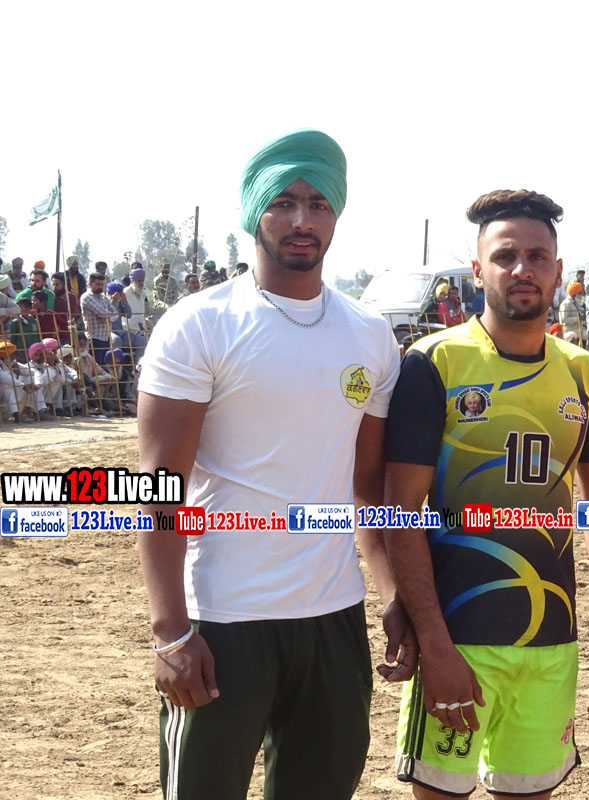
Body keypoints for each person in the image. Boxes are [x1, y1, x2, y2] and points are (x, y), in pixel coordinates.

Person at [135, 129, 414, 800]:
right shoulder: (199, 324)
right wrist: (170, 631)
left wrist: (390, 594)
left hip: (332, 619)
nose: (301, 220)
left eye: (318, 204)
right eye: (283, 202)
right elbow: (158, 489)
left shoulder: (370, 336)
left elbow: (366, 487)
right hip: (222, 619)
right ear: (253, 213)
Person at [383, 189, 589, 799]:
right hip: (458, 640)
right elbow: (399, 511)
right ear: (478, 270)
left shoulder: (581, 369)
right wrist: (434, 642)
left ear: (558, 271)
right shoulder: (434, 362)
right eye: (505, 256)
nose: (523, 269)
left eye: (538, 256)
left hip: (552, 642)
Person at [81, 273, 121, 364]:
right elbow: (101, 312)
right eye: (97, 284)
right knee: (96, 365)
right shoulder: (86, 297)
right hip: (94, 338)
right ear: (90, 284)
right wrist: (108, 316)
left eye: (102, 285)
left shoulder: (103, 297)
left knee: (104, 365)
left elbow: (116, 314)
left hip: (106, 338)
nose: (100, 287)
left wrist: (106, 318)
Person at [51, 272, 80, 343]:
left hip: (69, 333)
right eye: (53, 285)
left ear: (64, 284)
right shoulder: (51, 298)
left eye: (57, 285)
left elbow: (73, 315)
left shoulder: (72, 297)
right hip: (55, 334)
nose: (54, 287)